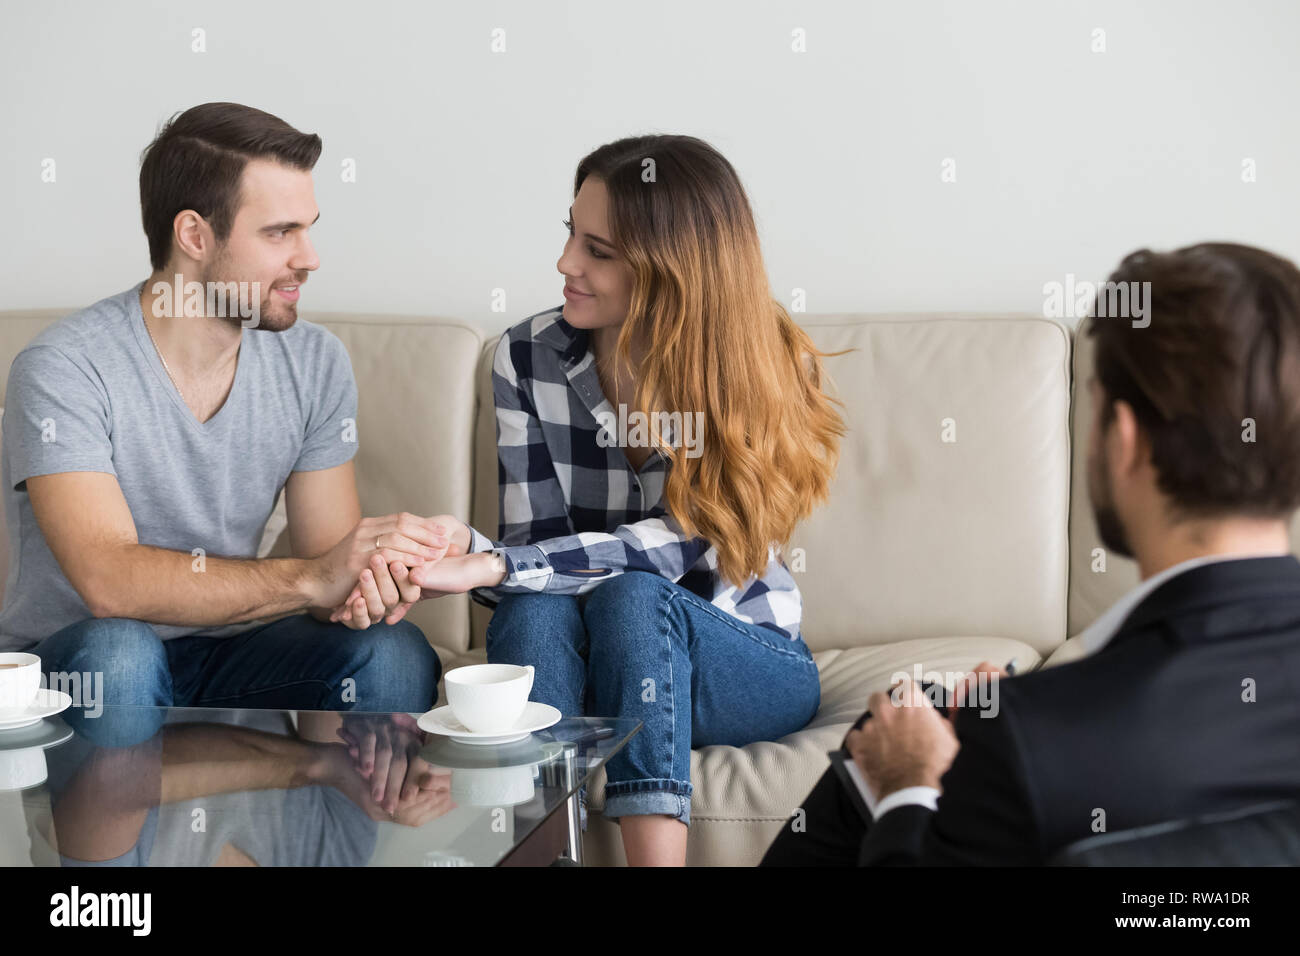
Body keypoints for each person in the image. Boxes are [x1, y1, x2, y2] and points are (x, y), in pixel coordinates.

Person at [332, 134, 846, 865]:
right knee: (534, 604)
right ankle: (548, 855)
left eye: (597, 250)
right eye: (570, 233)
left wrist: (497, 564)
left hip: (743, 656)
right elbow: (536, 547)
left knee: (631, 598)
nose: (565, 263)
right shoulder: (526, 357)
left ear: (673, 269)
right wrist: (478, 558)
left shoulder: (760, 361)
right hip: (591, 654)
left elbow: (691, 547)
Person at [761, 242, 1300, 866]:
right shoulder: (1027, 734)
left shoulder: (1026, 742)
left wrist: (908, 789)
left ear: (1123, 441)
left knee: (887, 743)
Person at [0, 102, 444, 723]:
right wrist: (311, 578)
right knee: (120, 656)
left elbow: (328, 572)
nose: (309, 257)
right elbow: (110, 584)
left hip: (235, 649)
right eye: (279, 233)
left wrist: (377, 573)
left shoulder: (314, 361)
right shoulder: (64, 367)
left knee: (391, 654)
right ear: (194, 236)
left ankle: (319, 794)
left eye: (308, 228)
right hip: (89, 663)